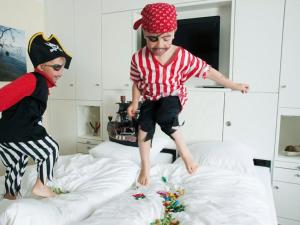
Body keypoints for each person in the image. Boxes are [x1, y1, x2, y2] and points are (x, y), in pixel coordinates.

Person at [127, 3, 249, 186]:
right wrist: (135, 103)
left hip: (173, 96)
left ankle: (185, 154)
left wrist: (234, 85)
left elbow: (209, 72)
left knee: (165, 115)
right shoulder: (138, 58)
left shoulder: (182, 56)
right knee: (144, 126)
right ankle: (145, 166)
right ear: (144, 34)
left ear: (174, 33)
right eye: (152, 39)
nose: (160, 45)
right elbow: (137, 82)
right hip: (150, 97)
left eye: (166, 38)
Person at [0, 32, 72, 199]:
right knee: (50, 149)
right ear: (40, 67)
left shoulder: (39, 84)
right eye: (56, 67)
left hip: (4, 134)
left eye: (62, 67)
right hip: (20, 129)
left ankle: (10, 194)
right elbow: (3, 97)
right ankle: (41, 185)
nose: (61, 72)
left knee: (16, 163)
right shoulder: (32, 80)